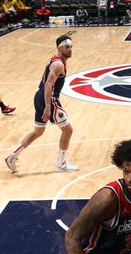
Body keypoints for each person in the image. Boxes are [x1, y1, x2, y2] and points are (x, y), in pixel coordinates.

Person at [5, 34, 78, 173]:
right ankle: (61, 163)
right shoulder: (58, 64)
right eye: (67, 47)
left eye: (71, 47)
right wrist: (48, 107)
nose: (70, 50)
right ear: (60, 48)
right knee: (68, 130)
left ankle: (12, 157)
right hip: (48, 99)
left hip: (39, 96)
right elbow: (48, 84)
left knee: (38, 131)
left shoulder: (57, 60)